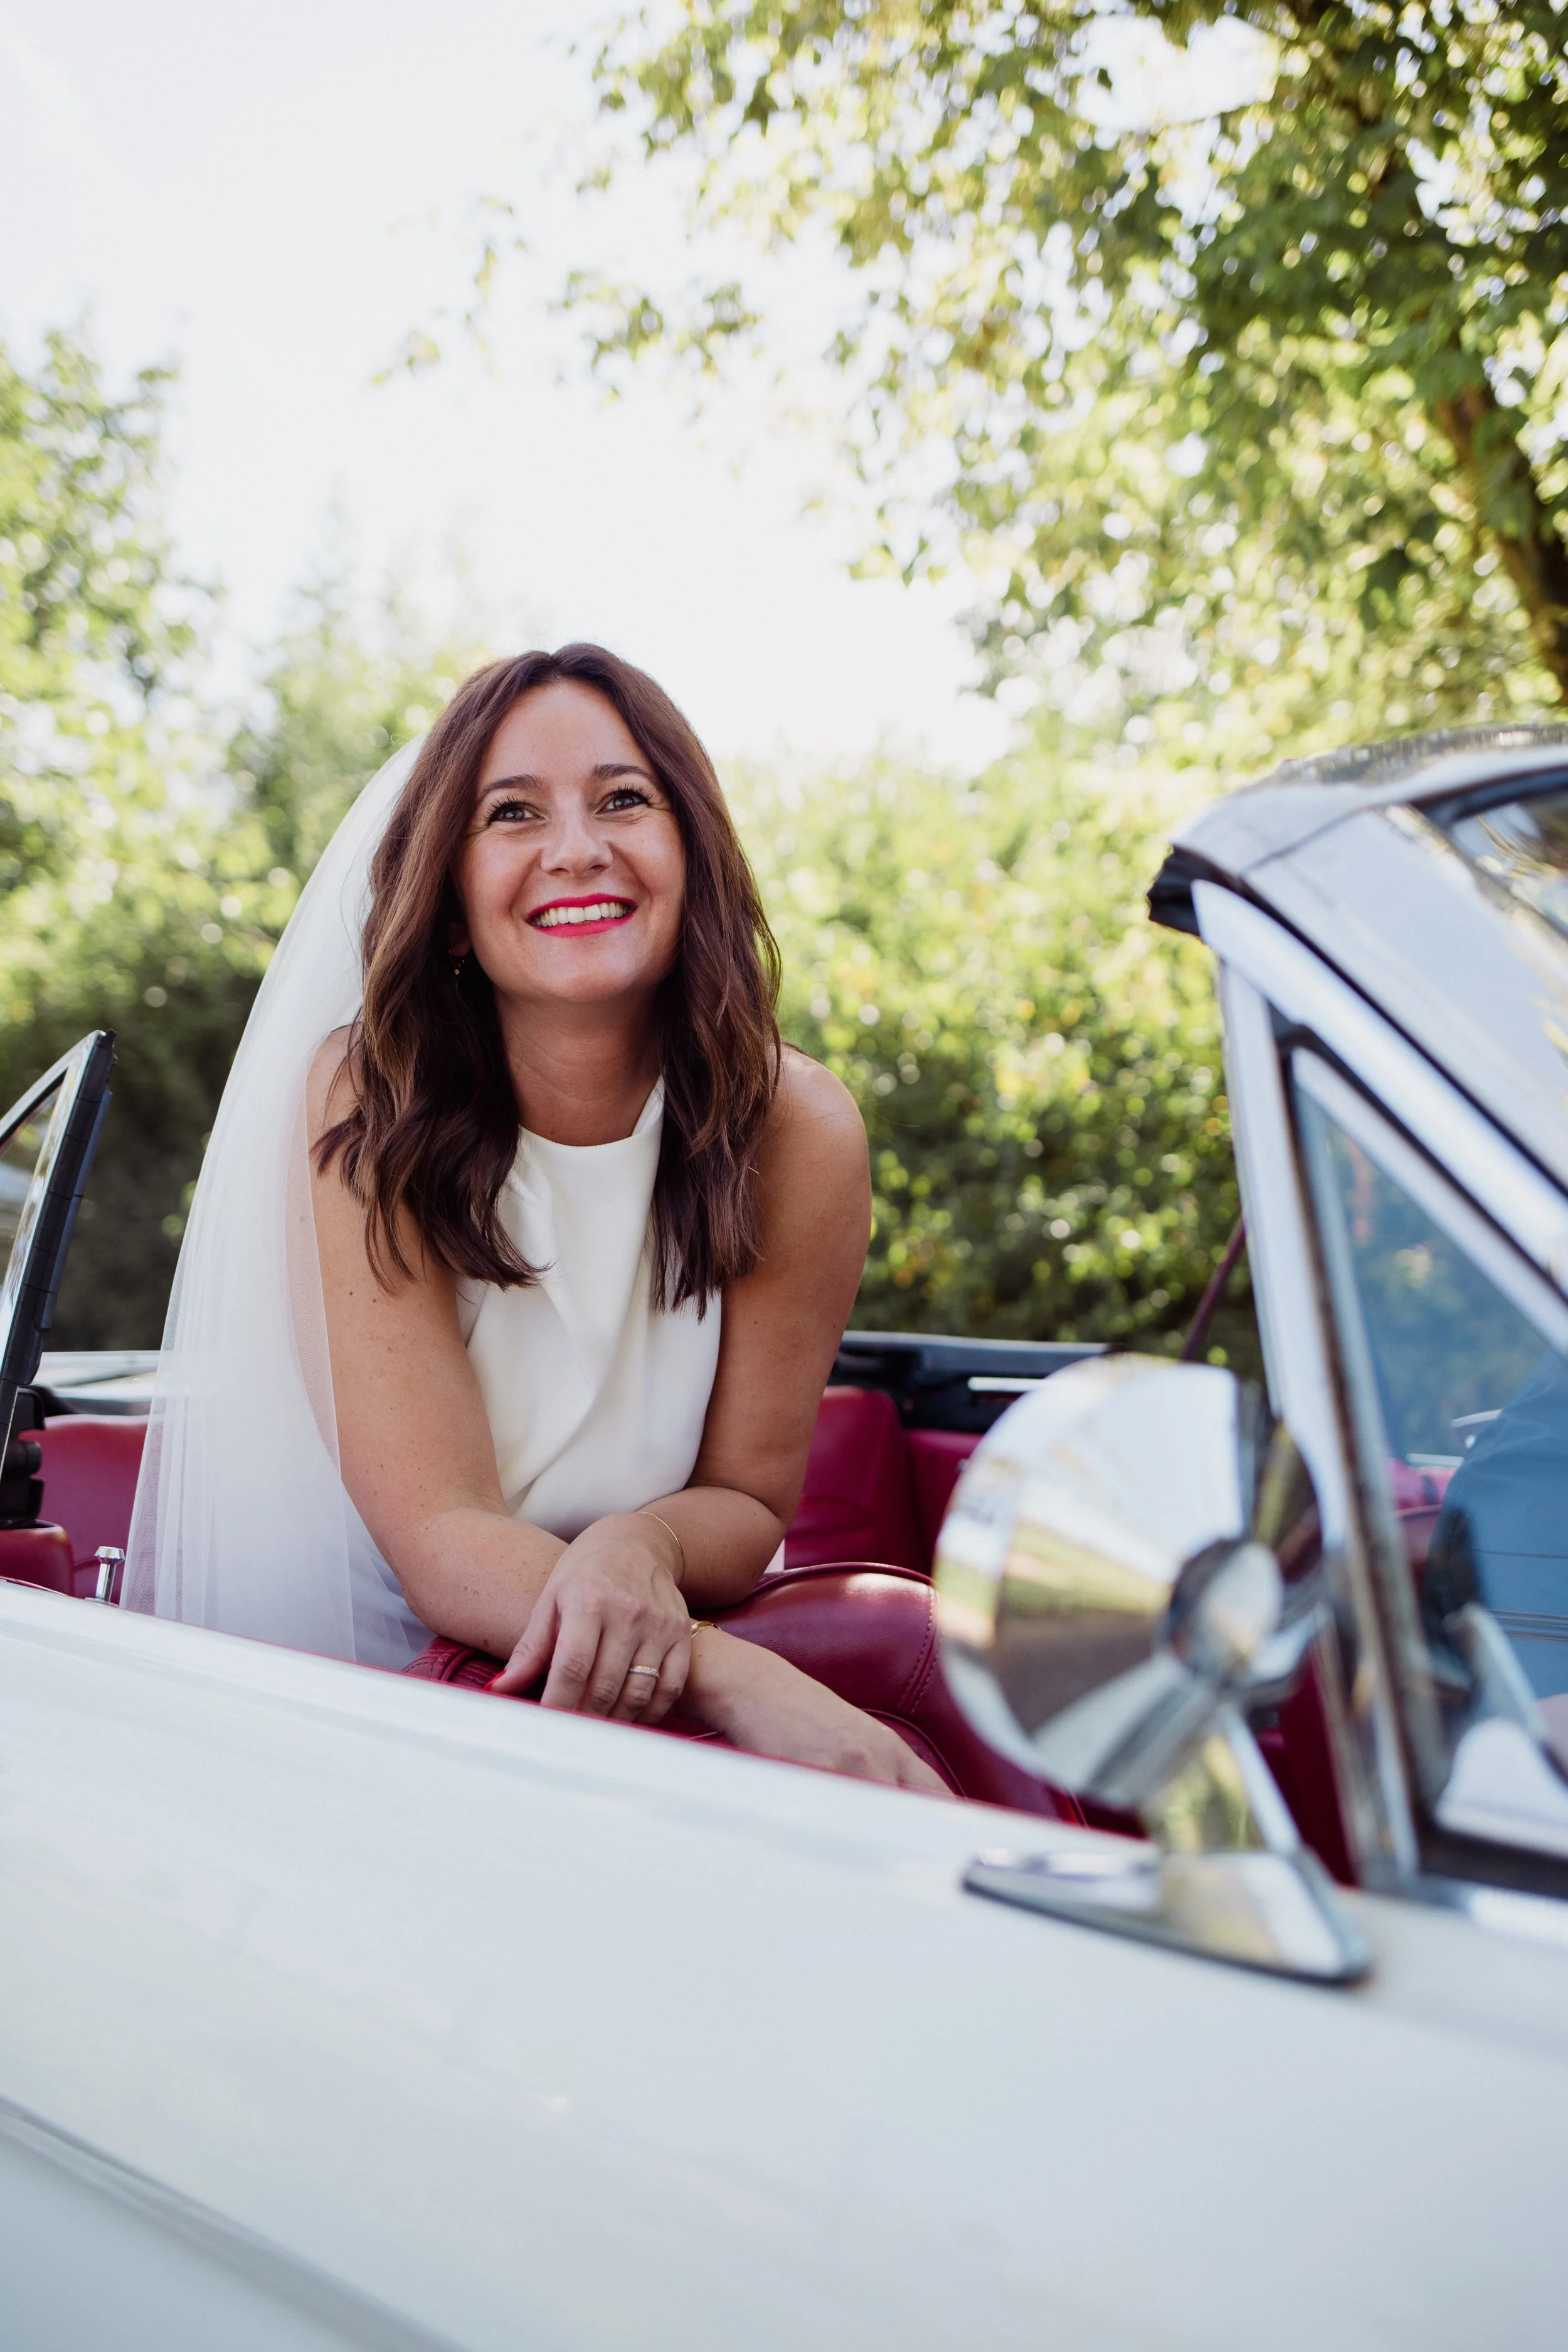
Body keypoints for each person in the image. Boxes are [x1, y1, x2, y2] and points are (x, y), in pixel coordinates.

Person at [127, 645, 946, 1795]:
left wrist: (642, 1543)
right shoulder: (368, 1102)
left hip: (673, 1615)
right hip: (412, 1666)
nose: (577, 847)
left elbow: (750, 1498)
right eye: (513, 814)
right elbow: (441, 1535)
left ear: (690, 856)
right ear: (454, 908)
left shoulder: (798, 1127)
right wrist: (735, 1681)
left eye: (624, 798)